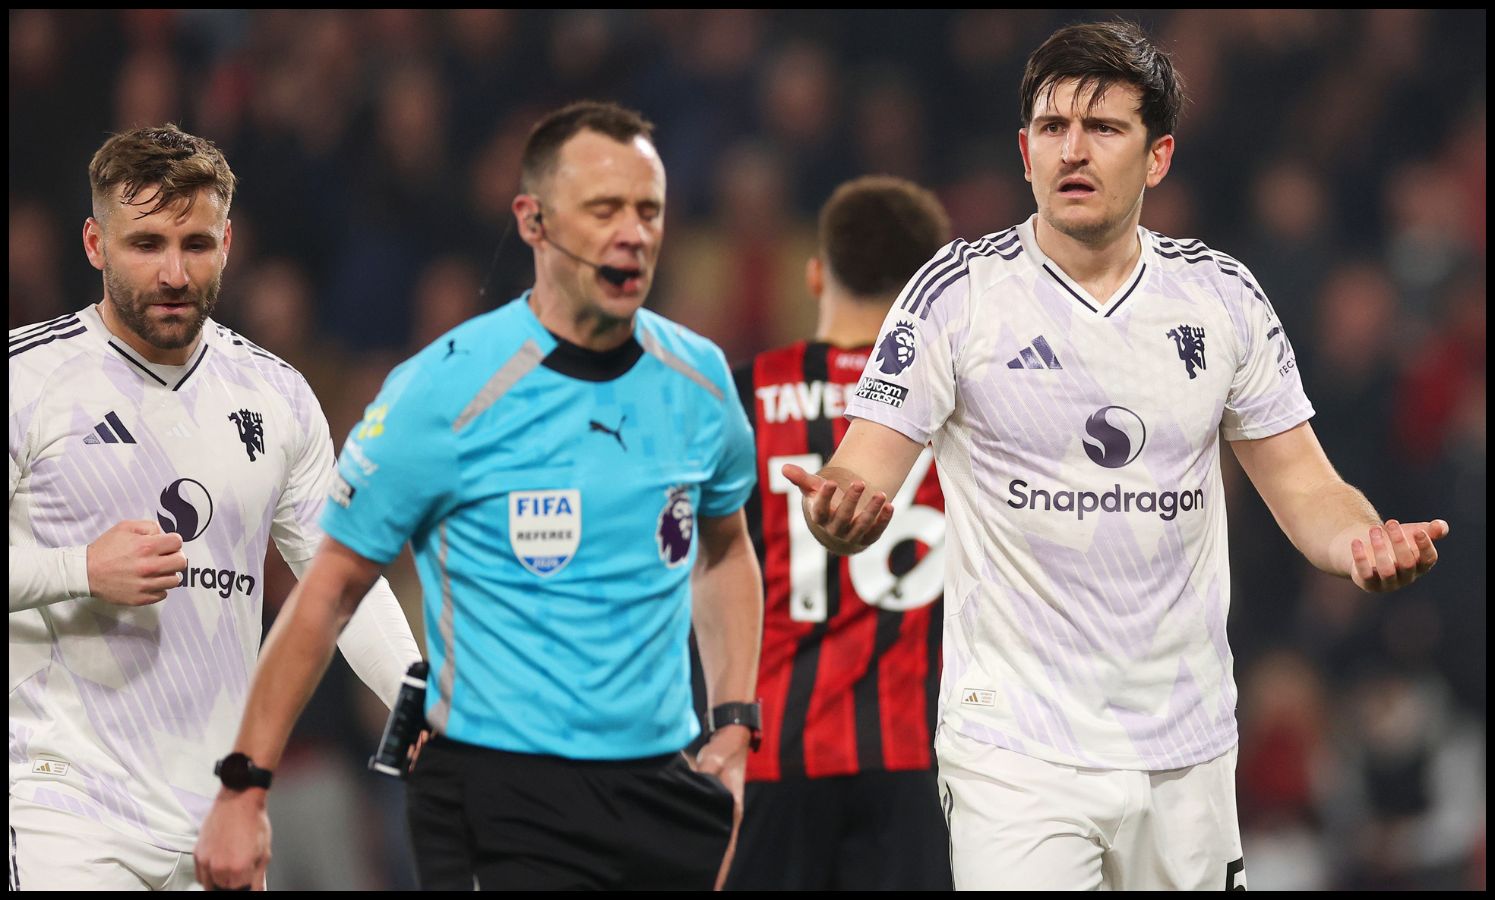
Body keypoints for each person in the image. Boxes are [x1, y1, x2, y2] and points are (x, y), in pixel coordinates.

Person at [783, 21, 1451, 891]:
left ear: (1158, 155)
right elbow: (860, 469)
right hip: (1014, 750)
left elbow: (1307, 489)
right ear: (1023, 150)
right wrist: (836, 510)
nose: (1073, 149)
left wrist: (1363, 545)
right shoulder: (958, 295)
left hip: (1185, 744)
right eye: (1053, 128)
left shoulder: (1220, 298)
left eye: (1103, 129)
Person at [194, 101, 763, 891]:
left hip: (665, 789)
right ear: (531, 220)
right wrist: (243, 787)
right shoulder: (443, 392)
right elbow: (327, 592)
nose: (632, 231)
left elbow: (726, 549)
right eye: (603, 210)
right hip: (502, 797)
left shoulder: (700, 382)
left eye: (648, 210)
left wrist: (733, 723)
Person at [8, 124, 421, 890]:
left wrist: (413, 698)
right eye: (147, 244)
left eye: (195, 244)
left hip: (215, 815)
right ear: (95, 244)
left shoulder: (277, 396)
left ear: (228, 242)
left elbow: (341, 581)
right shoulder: (26, 380)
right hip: (62, 802)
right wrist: (80, 568)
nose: (173, 271)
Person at [727, 176, 953, 891]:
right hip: (924, 760)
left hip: (770, 758)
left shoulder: (740, 396)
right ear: (927, 286)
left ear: (817, 272)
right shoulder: (957, 412)